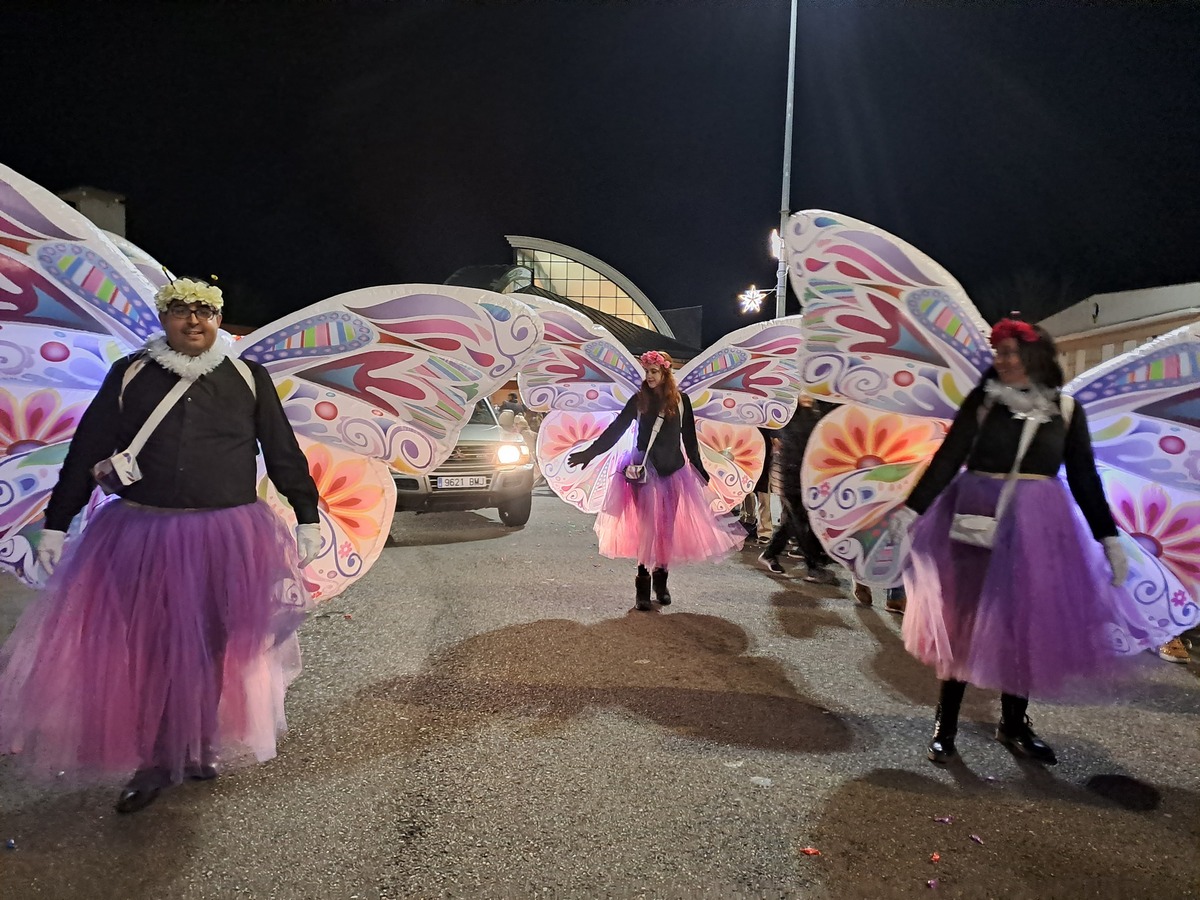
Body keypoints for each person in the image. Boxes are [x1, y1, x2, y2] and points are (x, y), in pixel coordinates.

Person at [0, 277, 322, 814]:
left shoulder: (248, 377)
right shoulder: (130, 373)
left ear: (219, 319)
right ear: (163, 319)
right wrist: (58, 521)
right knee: (152, 650)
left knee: (212, 646)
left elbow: (282, 450)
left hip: (228, 535)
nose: (193, 321)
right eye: (180, 312)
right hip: (144, 533)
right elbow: (88, 449)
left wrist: (307, 515)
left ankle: (196, 747)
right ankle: (154, 761)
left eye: (204, 312)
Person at [892, 319, 1133, 767]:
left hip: (1040, 528)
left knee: (1026, 624)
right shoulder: (983, 405)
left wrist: (1108, 538)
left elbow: (1083, 475)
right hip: (976, 518)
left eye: (1008, 352)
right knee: (964, 619)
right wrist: (913, 508)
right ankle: (946, 726)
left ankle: (1014, 723)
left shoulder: (1065, 410)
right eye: (997, 353)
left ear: (1035, 356)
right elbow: (949, 458)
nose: (999, 360)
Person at [566, 350, 743, 609]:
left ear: (665, 373)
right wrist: (589, 453)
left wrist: (700, 469)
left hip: (674, 471)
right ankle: (642, 585)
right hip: (643, 471)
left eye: (654, 372)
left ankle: (661, 579)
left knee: (666, 528)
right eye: (646, 371)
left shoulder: (681, 401)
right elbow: (616, 430)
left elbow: (690, 440)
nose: (649, 376)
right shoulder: (639, 401)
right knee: (646, 528)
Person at [758, 395, 835, 582]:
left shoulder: (815, 414)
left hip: (808, 477)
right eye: (804, 394)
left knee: (793, 522)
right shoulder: (791, 417)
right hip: (794, 476)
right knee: (800, 521)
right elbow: (793, 449)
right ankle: (813, 566)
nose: (807, 397)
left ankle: (770, 553)